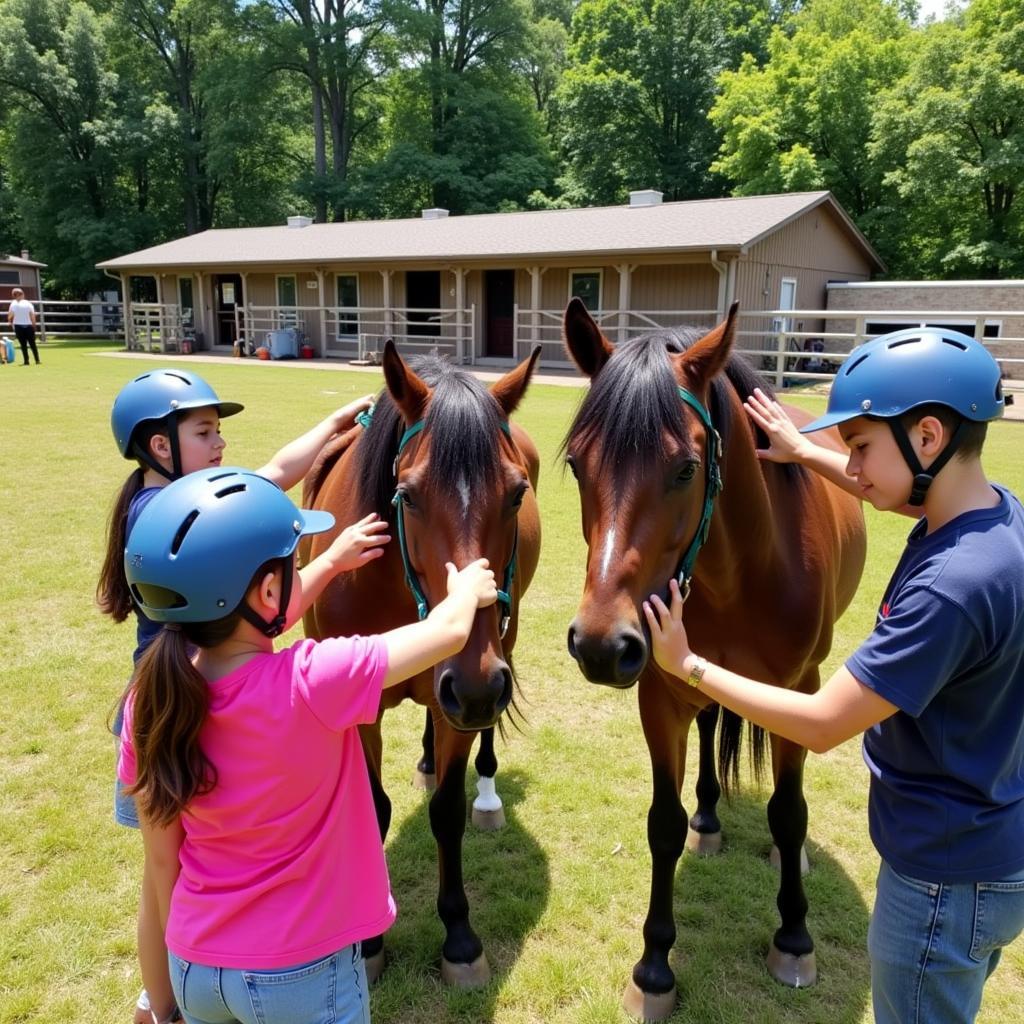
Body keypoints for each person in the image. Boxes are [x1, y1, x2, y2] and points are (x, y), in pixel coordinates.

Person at [643, 328, 1024, 1024]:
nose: (853, 466)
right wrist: (802, 453)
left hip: (939, 880)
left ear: (928, 438)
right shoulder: (994, 519)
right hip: (987, 844)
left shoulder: (949, 590)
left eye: (860, 446)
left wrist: (688, 665)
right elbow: (906, 499)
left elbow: (820, 726)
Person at [118, 467, 497, 1024]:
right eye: (292, 565)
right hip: (300, 973)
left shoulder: (148, 703)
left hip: (194, 969)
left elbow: (160, 863)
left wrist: (161, 999)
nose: (301, 571)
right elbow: (445, 634)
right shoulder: (315, 680)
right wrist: (464, 591)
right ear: (269, 591)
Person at [96, 368, 374, 1024]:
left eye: (220, 430)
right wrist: (330, 562)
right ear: (160, 446)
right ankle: (158, 998)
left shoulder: (173, 500)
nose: (220, 444)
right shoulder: (165, 520)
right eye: (204, 431)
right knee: (164, 873)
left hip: (164, 711)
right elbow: (262, 610)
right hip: (175, 717)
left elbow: (272, 473)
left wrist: (333, 427)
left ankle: (169, 995)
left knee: (178, 867)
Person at [7, 287, 40, 365]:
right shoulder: (28, 303)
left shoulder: (13, 304)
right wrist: (34, 325)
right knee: (32, 344)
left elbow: (10, 315)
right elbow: (32, 315)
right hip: (28, 326)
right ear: (22, 295)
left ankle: (26, 361)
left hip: (18, 326)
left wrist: (10, 322)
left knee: (23, 345)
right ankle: (37, 360)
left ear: (14, 295)